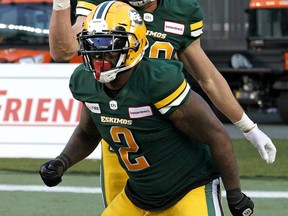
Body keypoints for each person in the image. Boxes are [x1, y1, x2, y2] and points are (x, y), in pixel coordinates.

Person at [49, 0, 276, 207]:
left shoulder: (182, 10)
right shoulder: (105, 6)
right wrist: (60, 4)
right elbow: (64, 50)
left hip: (168, 133)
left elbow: (208, 77)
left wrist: (248, 127)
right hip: (121, 134)